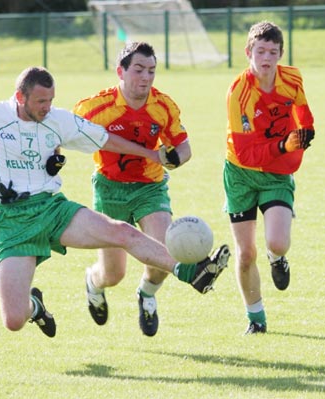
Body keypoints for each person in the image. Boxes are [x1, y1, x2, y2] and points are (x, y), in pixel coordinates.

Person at [0, 66, 230, 338]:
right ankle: (36, 306)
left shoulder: (58, 119)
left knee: (122, 232)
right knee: (14, 320)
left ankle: (193, 272)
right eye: (40, 102)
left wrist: (151, 153)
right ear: (19, 97)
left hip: (52, 209)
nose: (47, 108)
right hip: (12, 221)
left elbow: (107, 139)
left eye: (50, 100)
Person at [73, 41, 230, 337]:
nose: (145, 77)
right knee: (113, 274)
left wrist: (176, 159)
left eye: (152, 71)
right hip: (110, 189)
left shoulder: (163, 106)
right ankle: (94, 282)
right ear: (121, 71)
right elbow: (65, 131)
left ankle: (146, 294)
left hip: (150, 186)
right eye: (139, 70)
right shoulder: (95, 108)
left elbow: (184, 147)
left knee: (163, 251)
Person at [223, 21, 315, 335]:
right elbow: (247, 153)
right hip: (241, 174)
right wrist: (281, 144)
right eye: (260, 51)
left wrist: (307, 131)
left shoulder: (292, 78)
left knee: (277, 241)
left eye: (272, 52)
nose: (266, 58)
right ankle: (256, 319)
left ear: (280, 54)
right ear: (248, 52)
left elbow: (303, 111)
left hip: (277, 174)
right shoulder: (239, 93)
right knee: (246, 253)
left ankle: (277, 258)